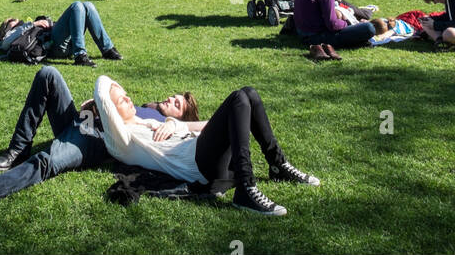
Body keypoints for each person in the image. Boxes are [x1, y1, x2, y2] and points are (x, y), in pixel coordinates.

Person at [0, 70, 198, 209]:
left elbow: (193, 128)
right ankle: (18, 149)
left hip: (96, 139)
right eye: (173, 96)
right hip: (82, 119)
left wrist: (172, 123)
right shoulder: (145, 107)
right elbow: (112, 102)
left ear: (182, 116)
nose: (170, 99)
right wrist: (95, 105)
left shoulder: (163, 123)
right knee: (48, 74)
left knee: (49, 161)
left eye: (177, 104)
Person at [94, 76, 320, 216]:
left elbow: (205, 125)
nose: (128, 99)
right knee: (237, 98)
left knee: (248, 93)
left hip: (209, 156)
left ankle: (278, 165)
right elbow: (101, 85)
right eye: (120, 99)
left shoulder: (148, 121)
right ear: (110, 111)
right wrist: (100, 100)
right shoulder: (121, 140)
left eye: (126, 95)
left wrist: (174, 123)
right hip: (198, 163)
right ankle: (245, 188)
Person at [0, 0, 123, 68]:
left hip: (62, 40)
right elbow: (4, 44)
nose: (17, 22)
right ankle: (80, 55)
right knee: (76, 6)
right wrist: (33, 24)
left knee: (87, 5)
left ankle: (107, 49)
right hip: (53, 46)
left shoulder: (25, 28)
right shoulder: (9, 38)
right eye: (12, 23)